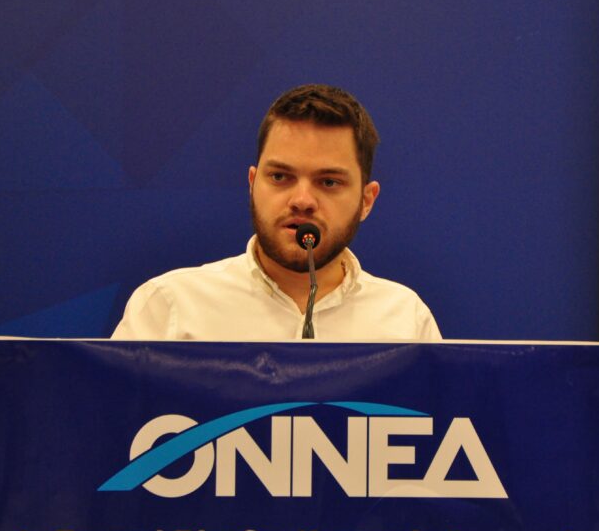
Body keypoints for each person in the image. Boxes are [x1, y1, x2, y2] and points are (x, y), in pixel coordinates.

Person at [112, 84, 441, 341]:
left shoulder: (406, 321)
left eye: (328, 182)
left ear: (366, 201)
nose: (302, 200)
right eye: (280, 177)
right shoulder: (170, 308)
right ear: (252, 184)